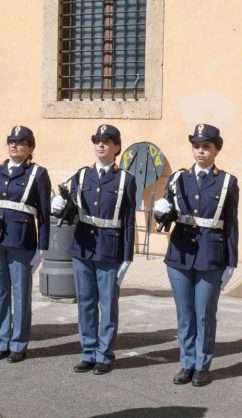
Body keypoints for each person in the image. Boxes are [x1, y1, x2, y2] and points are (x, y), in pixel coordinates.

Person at [153, 123, 238, 387]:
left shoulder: (227, 182)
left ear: (216, 150)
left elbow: (231, 224)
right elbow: (167, 215)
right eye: (196, 146)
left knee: (204, 313)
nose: (200, 151)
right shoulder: (178, 178)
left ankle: (202, 365)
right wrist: (159, 212)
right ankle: (187, 363)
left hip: (211, 256)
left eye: (206, 147)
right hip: (180, 254)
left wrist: (231, 263)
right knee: (185, 313)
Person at [53, 124, 136, 375]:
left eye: (107, 141)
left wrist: (127, 258)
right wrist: (59, 205)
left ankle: (105, 354)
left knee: (108, 305)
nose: (101, 145)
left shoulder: (126, 179)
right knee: (85, 302)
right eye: (97, 140)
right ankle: (88, 352)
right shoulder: (81, 175)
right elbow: (70, 208)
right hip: (83, 248)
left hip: (110, 250)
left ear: (116, 147)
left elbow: (129, 221)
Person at [0, 126, 51, 363]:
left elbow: (44, 215)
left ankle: (19, 343)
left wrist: (42, 248)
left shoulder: (37, 174)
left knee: (21, 293)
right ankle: (2, 341)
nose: (15, 146)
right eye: (11, 141)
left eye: (21, 142)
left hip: (22, 241)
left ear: (30, 148)